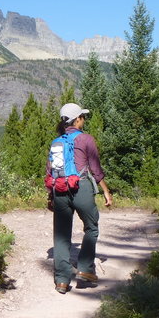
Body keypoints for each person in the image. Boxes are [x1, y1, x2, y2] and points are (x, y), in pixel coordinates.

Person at [47, 102, 112, 294]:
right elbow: (95, 169)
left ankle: (61, 281)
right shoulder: (86, 139)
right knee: (91, 227)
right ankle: (85, 269)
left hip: (59, 190)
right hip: (80, 188)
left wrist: (51, 196)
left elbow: (50, 170)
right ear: (77, 119)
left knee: (61, 236)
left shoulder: (56, 142)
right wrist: (106, 191)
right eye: (83, 117)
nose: (84, 120)